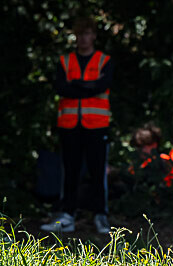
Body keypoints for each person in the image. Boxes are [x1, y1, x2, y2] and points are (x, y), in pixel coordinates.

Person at [41, 15, 113, 234]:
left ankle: (100, 215)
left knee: (97, 171)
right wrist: (87, 86)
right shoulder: (65, 61)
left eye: (87, 34)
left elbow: (101, 86)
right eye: (80, 34)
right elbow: (61, 88)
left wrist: (77, 85)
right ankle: (67, 215)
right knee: (70, 171)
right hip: (70, 124)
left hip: (97, 125)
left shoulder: (104, 60)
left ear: (94, 36)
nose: (83, 38)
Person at [127, 122, 173, 209]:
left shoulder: (165, 160)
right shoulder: (139, 164)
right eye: (138, 147)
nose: (140, 150)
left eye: (143, 146)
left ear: (154, 144)